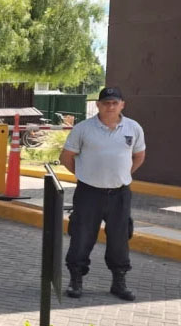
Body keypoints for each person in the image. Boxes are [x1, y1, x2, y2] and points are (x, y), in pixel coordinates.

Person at [59, 87, 146, 301]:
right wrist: (83, 175)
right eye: (106, 102)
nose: (110, 106)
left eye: (115, 102)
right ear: (98, 105)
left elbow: (139, 156)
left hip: (120, 194)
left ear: (122, 105)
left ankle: (119, 282)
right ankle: (76, 280)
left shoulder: (133, 128)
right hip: (89, 193)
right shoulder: (83, 129)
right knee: (81, 236)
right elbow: (66, 156)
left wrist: (122, 175)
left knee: (120, 238)